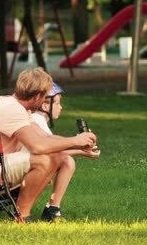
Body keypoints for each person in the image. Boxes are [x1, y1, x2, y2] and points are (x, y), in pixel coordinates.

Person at [0, 68, 97, 223]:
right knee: (44, 160)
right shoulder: (11, 109)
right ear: (37, 96)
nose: (44, 102)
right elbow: (38, 146)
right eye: (44, 97)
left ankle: (51, 211)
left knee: (58, 156)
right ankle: (22, 215)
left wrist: (79, 144)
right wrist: (76, 142)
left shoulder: (18, 107)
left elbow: (46, 138)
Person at [31, 82, 100, 222]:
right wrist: (79, 147)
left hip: (32, 162)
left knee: (67, 161)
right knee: (67, 161)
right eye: (58, 103)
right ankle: (52, 209)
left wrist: (81, 149)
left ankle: (53, 209)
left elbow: (55, 150)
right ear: (45, 106)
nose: (60, 107)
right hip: (30, 165)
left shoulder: (38, 121)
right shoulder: (36, 120)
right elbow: (51, 150)